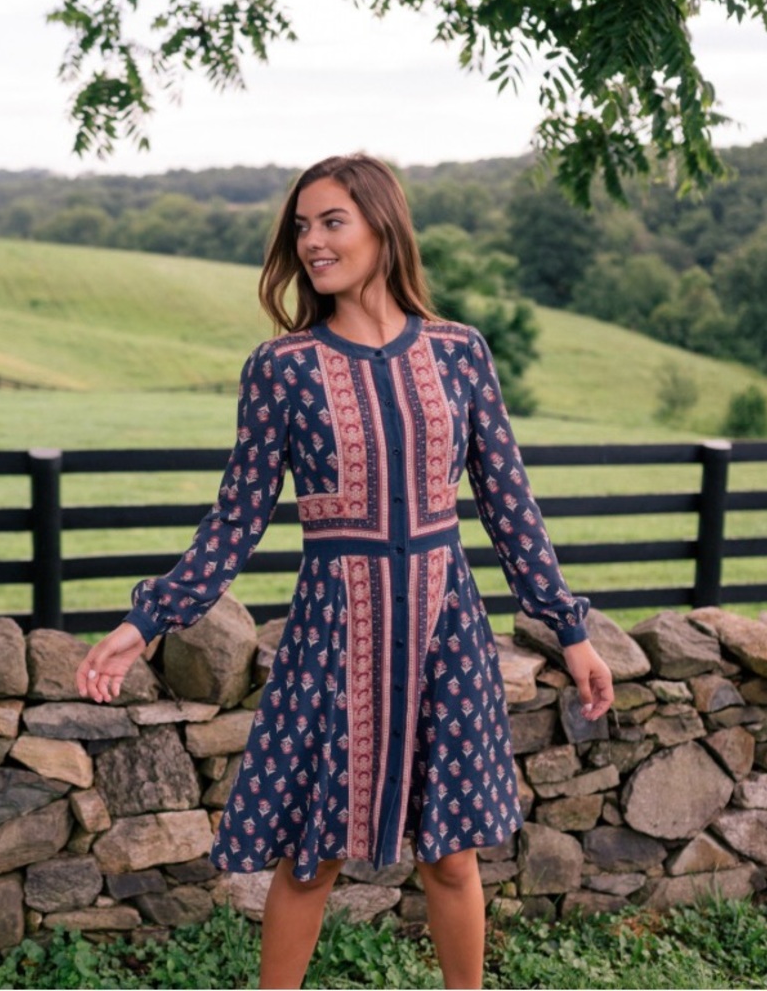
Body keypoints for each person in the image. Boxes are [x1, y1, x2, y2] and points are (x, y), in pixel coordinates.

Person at [77, 153, 614, 989]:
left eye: (332, 221)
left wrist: (569, 629)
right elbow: (236, 518)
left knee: (452, 859)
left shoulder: (459, 352)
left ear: (382, 225)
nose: (313, 242)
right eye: (302, 226)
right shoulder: (282, 369)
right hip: (335, 637)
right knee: (308, 860)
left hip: (445, 630)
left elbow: (510, 504)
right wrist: (144, 621)